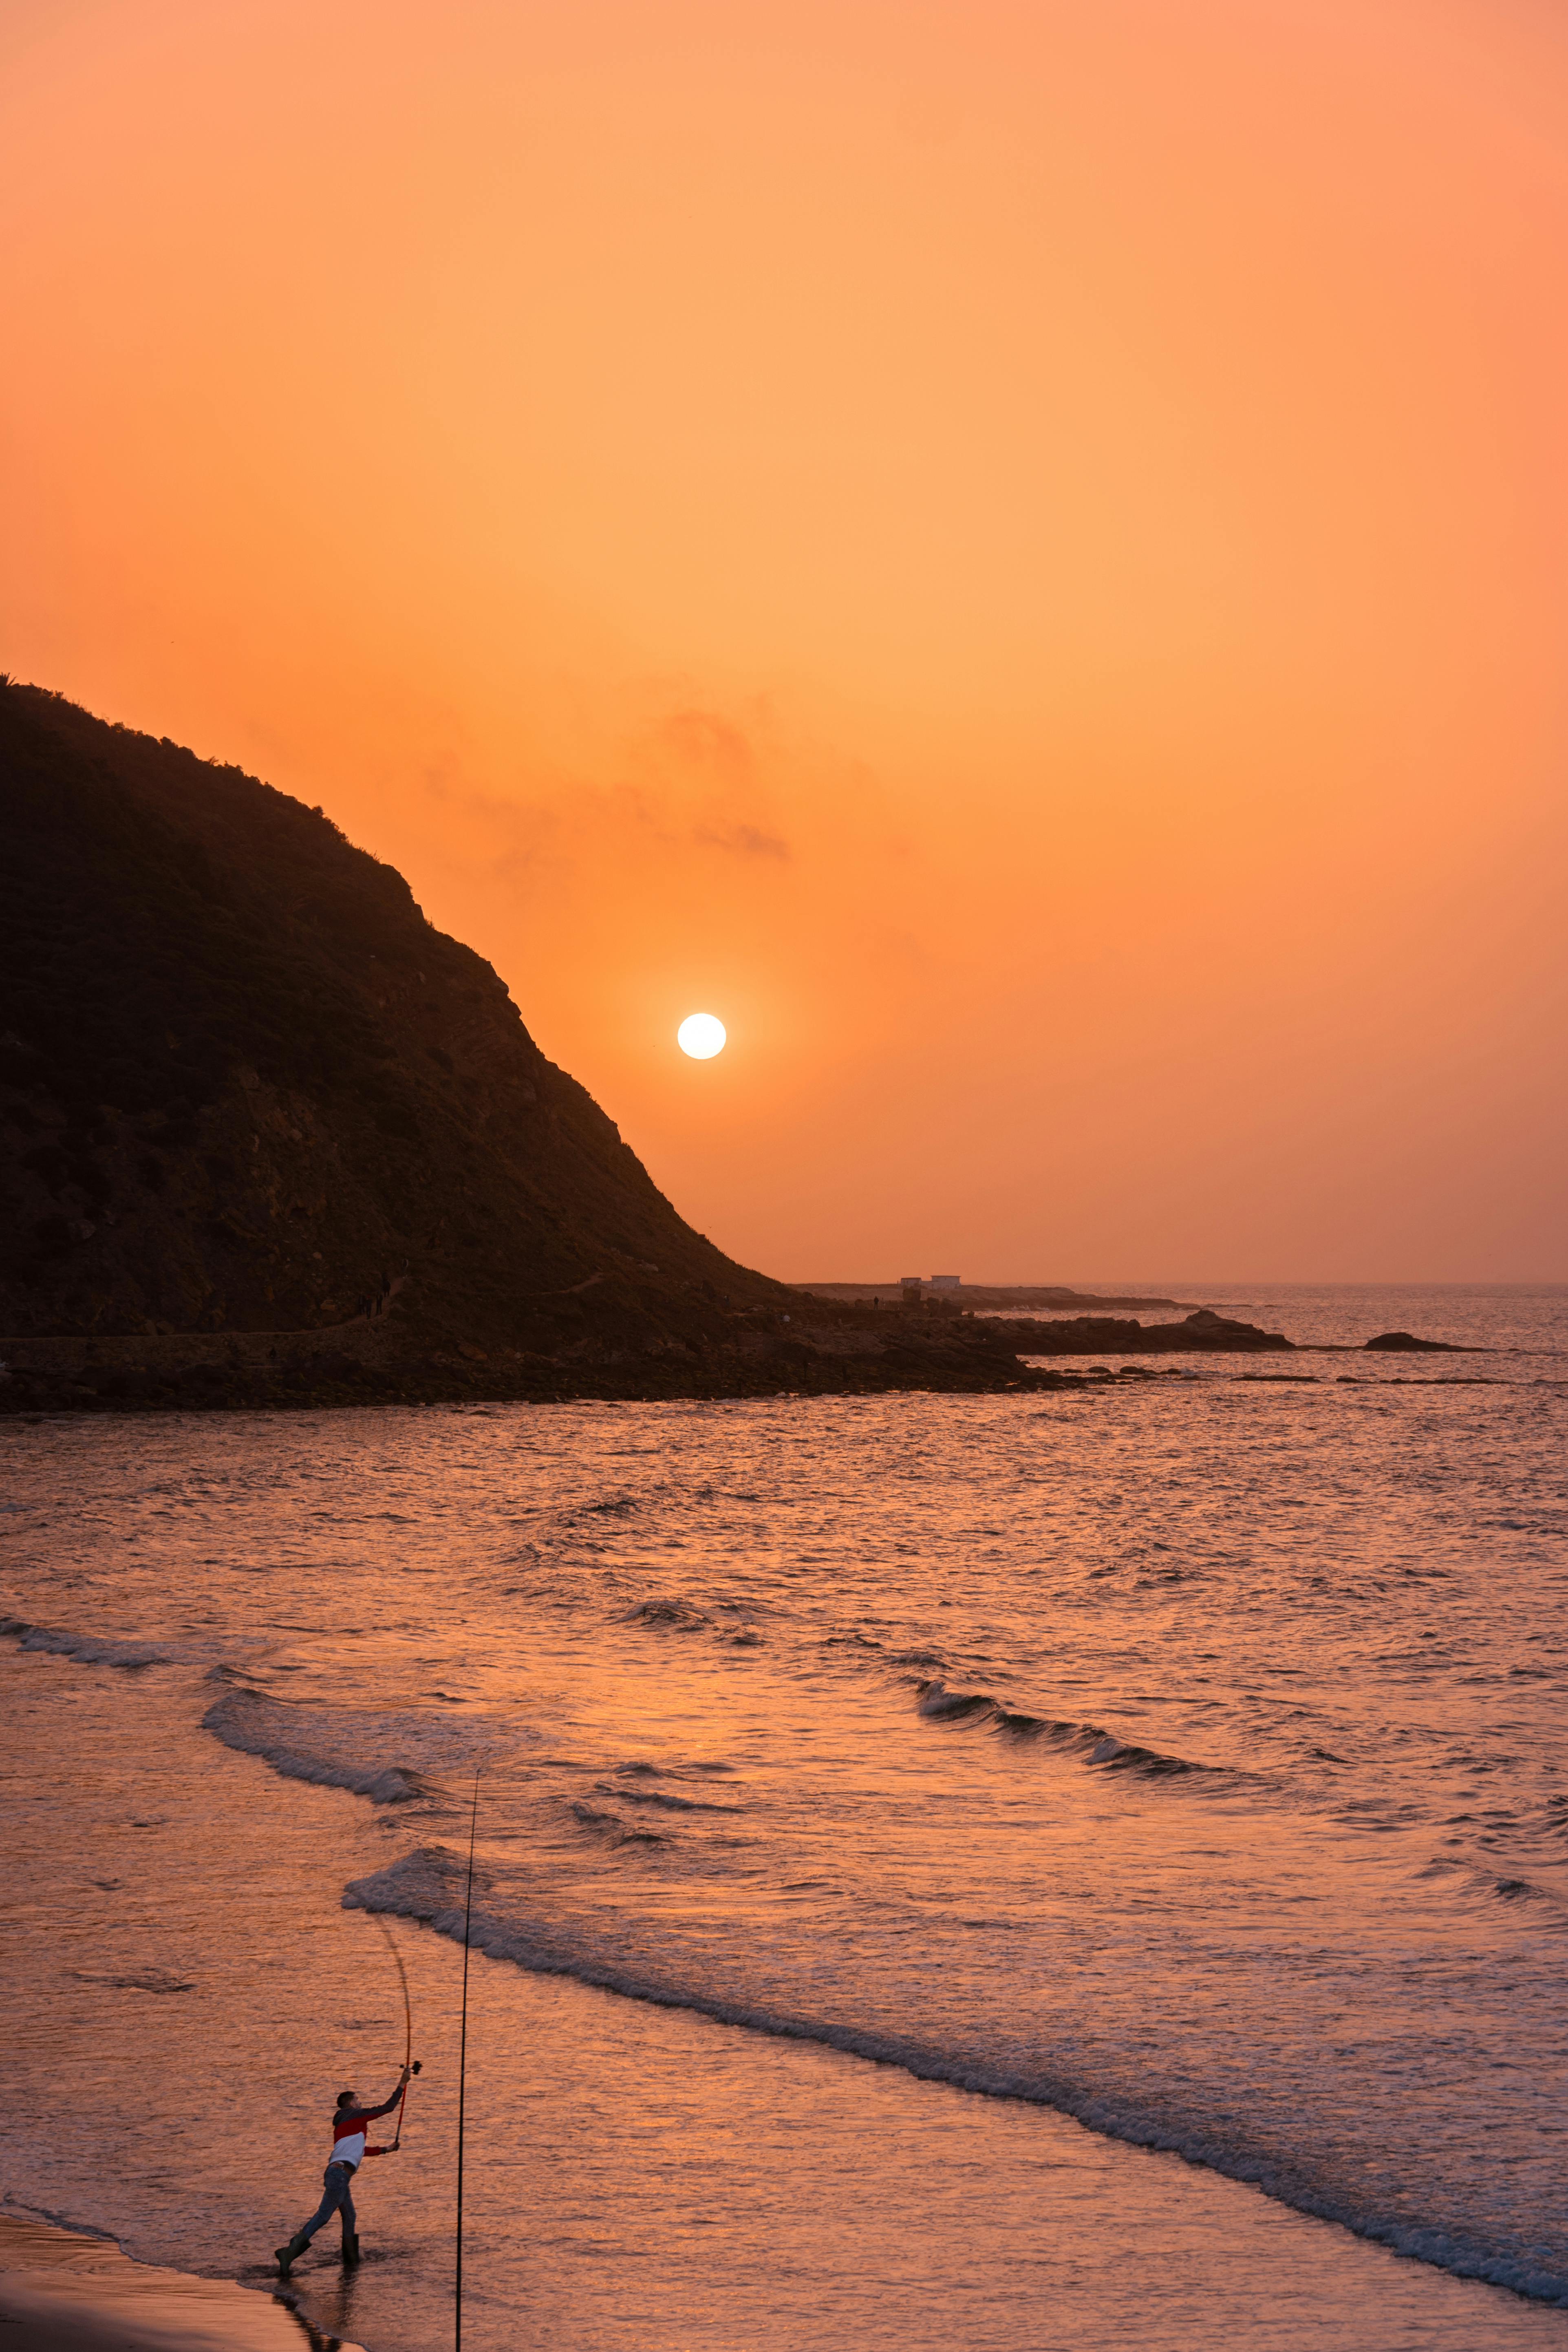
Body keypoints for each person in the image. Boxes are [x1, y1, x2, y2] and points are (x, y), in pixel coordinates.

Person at [275, 2067, 410, 2275]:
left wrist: (386, 2150)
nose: (361, 2103)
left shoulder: (346, 2125)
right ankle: (291, 2250)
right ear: (351, 2104)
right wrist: (402, 2083)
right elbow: (388, 2108)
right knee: (323, 2216)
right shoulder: (355, 2116)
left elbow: (360, 2151)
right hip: (338, 2176)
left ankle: (350, 2262)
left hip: (338, 2175)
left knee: (350, 2216)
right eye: (358, 2100)